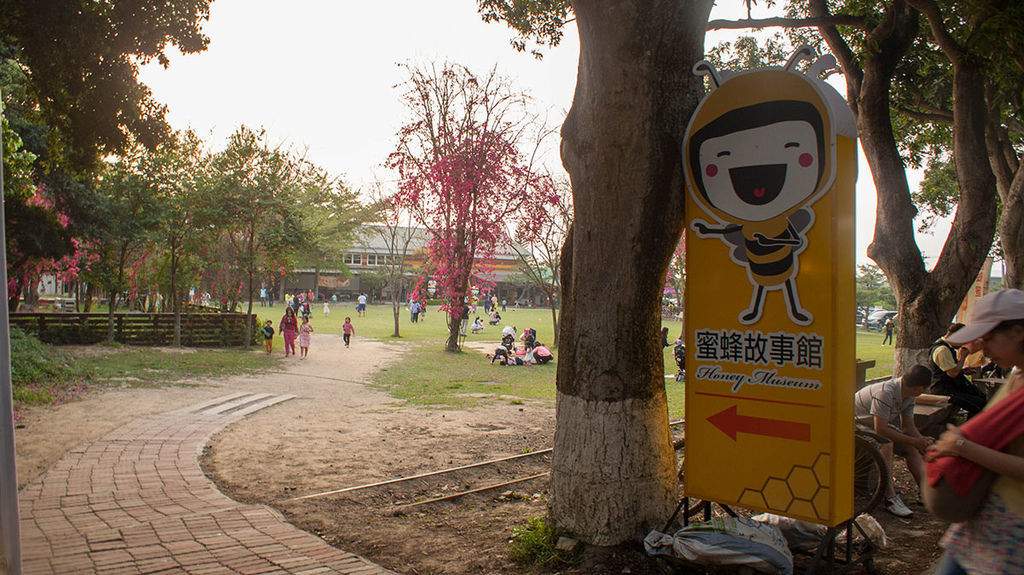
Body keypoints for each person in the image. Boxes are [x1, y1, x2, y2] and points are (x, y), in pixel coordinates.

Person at [926, 289, 1024, 575]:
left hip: (1013, 533)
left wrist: (961, 447)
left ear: (1018, 332)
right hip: (986, 519)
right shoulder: (1017, 374)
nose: (982, 346)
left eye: (988, 337)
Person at [854, 364, 935, 517]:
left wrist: (921, 441)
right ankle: (889, 497)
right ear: (919, 388)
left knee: (911, 447)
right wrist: (914, 441)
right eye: (925, 388)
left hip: (873, 425)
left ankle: (926, 493)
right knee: (886, 443)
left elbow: (908, 426)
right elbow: (881, 430)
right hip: (855, 424)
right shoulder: (885, 392)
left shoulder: (909, 395)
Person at [929, 323, 988, 419]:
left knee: (981, 396)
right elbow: (952, 373)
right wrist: (963, 356)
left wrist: (962, 371)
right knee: (977, 404)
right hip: (944, 390)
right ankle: (971, 427)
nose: (962, 345)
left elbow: (949, 369)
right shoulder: (942, 350)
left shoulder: (946, 347)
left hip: (952, 387)